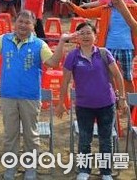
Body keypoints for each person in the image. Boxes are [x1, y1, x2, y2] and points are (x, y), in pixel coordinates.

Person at [0, 10, 65, 180]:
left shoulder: (39, 44)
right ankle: (11, 168)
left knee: (31, 135)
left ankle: (30, 169)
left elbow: (53, 63)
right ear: (15, 23)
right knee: (11, 135)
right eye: (20, 22)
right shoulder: (5, 40)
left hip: (30, 96)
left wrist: (61, 43)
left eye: (27, 22)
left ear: (33, 25)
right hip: (8, 95)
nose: (23, 25)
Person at [55, 22, 127, 180]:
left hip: (107, 105)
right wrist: (61, 103)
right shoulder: (73, 56)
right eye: (82, 33)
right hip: (84, 106)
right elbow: (65, 81)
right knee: (85, 139)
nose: (86, 36)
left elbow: (117, 76)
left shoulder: (103, 53)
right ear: (77, 37)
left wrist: (122, 98)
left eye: (89, 33)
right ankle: (84, 170)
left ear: (95, 36)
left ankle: (106, 172)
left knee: (106, 140)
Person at [57, 0, 137, 94]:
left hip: (127, 47)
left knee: (128, 77)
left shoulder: (133, 9)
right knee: (108, 76)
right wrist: (70, 4)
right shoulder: (105, 9)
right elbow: (84, 13)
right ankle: (113, 99)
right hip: (108, 47)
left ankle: (132, 104)